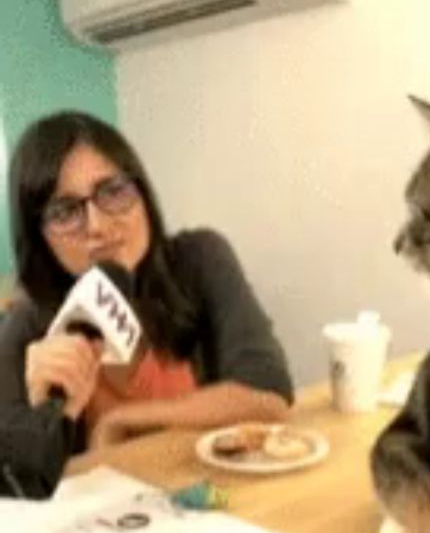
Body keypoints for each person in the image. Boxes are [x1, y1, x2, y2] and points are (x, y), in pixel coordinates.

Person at [0, 111, 293, 497]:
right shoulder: (28, 324)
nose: (98, 226)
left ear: (142, 192)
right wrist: (44, 420)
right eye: (65, 211)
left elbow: (269, 396)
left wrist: (121, 422)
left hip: (222, 505)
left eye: (113, 191)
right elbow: (18, 498)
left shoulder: (199, 260)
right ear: (39, 237)